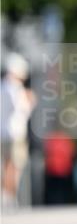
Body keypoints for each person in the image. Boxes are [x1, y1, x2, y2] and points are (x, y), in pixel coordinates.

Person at [1, 52, 35, 209]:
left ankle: (6, 196)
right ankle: (9, 197)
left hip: (3, 132)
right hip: (15, 133)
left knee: (6, 165)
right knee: (15, 166)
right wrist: (30, 102)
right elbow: (21, 109)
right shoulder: (15, 88)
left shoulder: (2, 86)